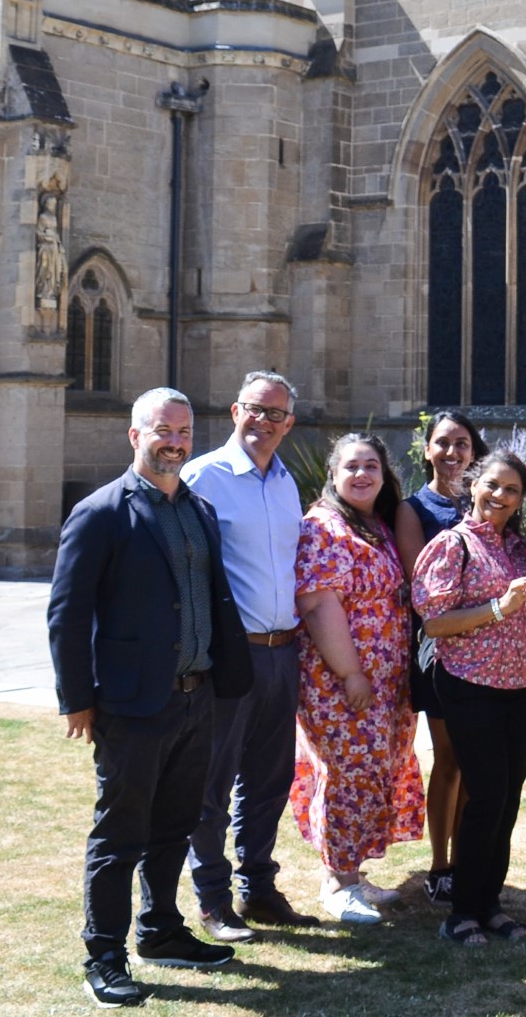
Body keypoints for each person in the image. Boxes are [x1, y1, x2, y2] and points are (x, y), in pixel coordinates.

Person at [48, 387, 254, 1009]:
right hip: (132, 704)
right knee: (121, 833)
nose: (176, 441)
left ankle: (161, 930)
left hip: (197, 697)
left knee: (175, 827)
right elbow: (67, 613)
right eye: (163, 430)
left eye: (185, 431)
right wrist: (76, 699)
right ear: (135, 436)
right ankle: (104, 954)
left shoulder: (198, 509)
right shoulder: (101, 512)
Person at [183, 372, 321, 942]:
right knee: (212, 782)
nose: (262, 421)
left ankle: (258, 889)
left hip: (282, 650)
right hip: (230, 654)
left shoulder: (288, 482)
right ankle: (213, 900)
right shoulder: (203, 477)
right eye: (254, 410)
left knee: (269, 778)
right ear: (235, 410)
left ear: (289, 423)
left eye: (275, 414)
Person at [412, 451, 526, 945]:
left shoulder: (520, 547)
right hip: (470, 685)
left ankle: (490, 904)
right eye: (493, 485)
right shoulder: (452, 545)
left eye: (512, 490)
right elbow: (435, 622)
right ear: (473, 485)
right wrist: (500, 605)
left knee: (508, 800)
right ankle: (462, 912)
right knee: (486, 796)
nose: (501, 496)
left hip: (522, 684)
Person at [292, 432, 426, 924]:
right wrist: (351, 674)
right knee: (346, 774)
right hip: (340, 678)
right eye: (351, 466)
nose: (362, 475)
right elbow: (318, 603)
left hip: (387, 678)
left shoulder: (374, 525)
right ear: (333, 474)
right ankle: (335, 880)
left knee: (374, 772)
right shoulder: (323, 528)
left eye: (371, 466)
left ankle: (352, 872)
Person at [394, 410, 490, 906]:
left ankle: (470, 856)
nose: (453, 453)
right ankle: (441, 865)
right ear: (426, 449)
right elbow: (422, 585)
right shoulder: (415, 509)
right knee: (450, 758)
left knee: (479, 761)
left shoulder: (489, 505)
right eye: (443, 443)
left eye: (463, 444)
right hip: (439, 652)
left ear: (475, 452)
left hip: (490, 654)